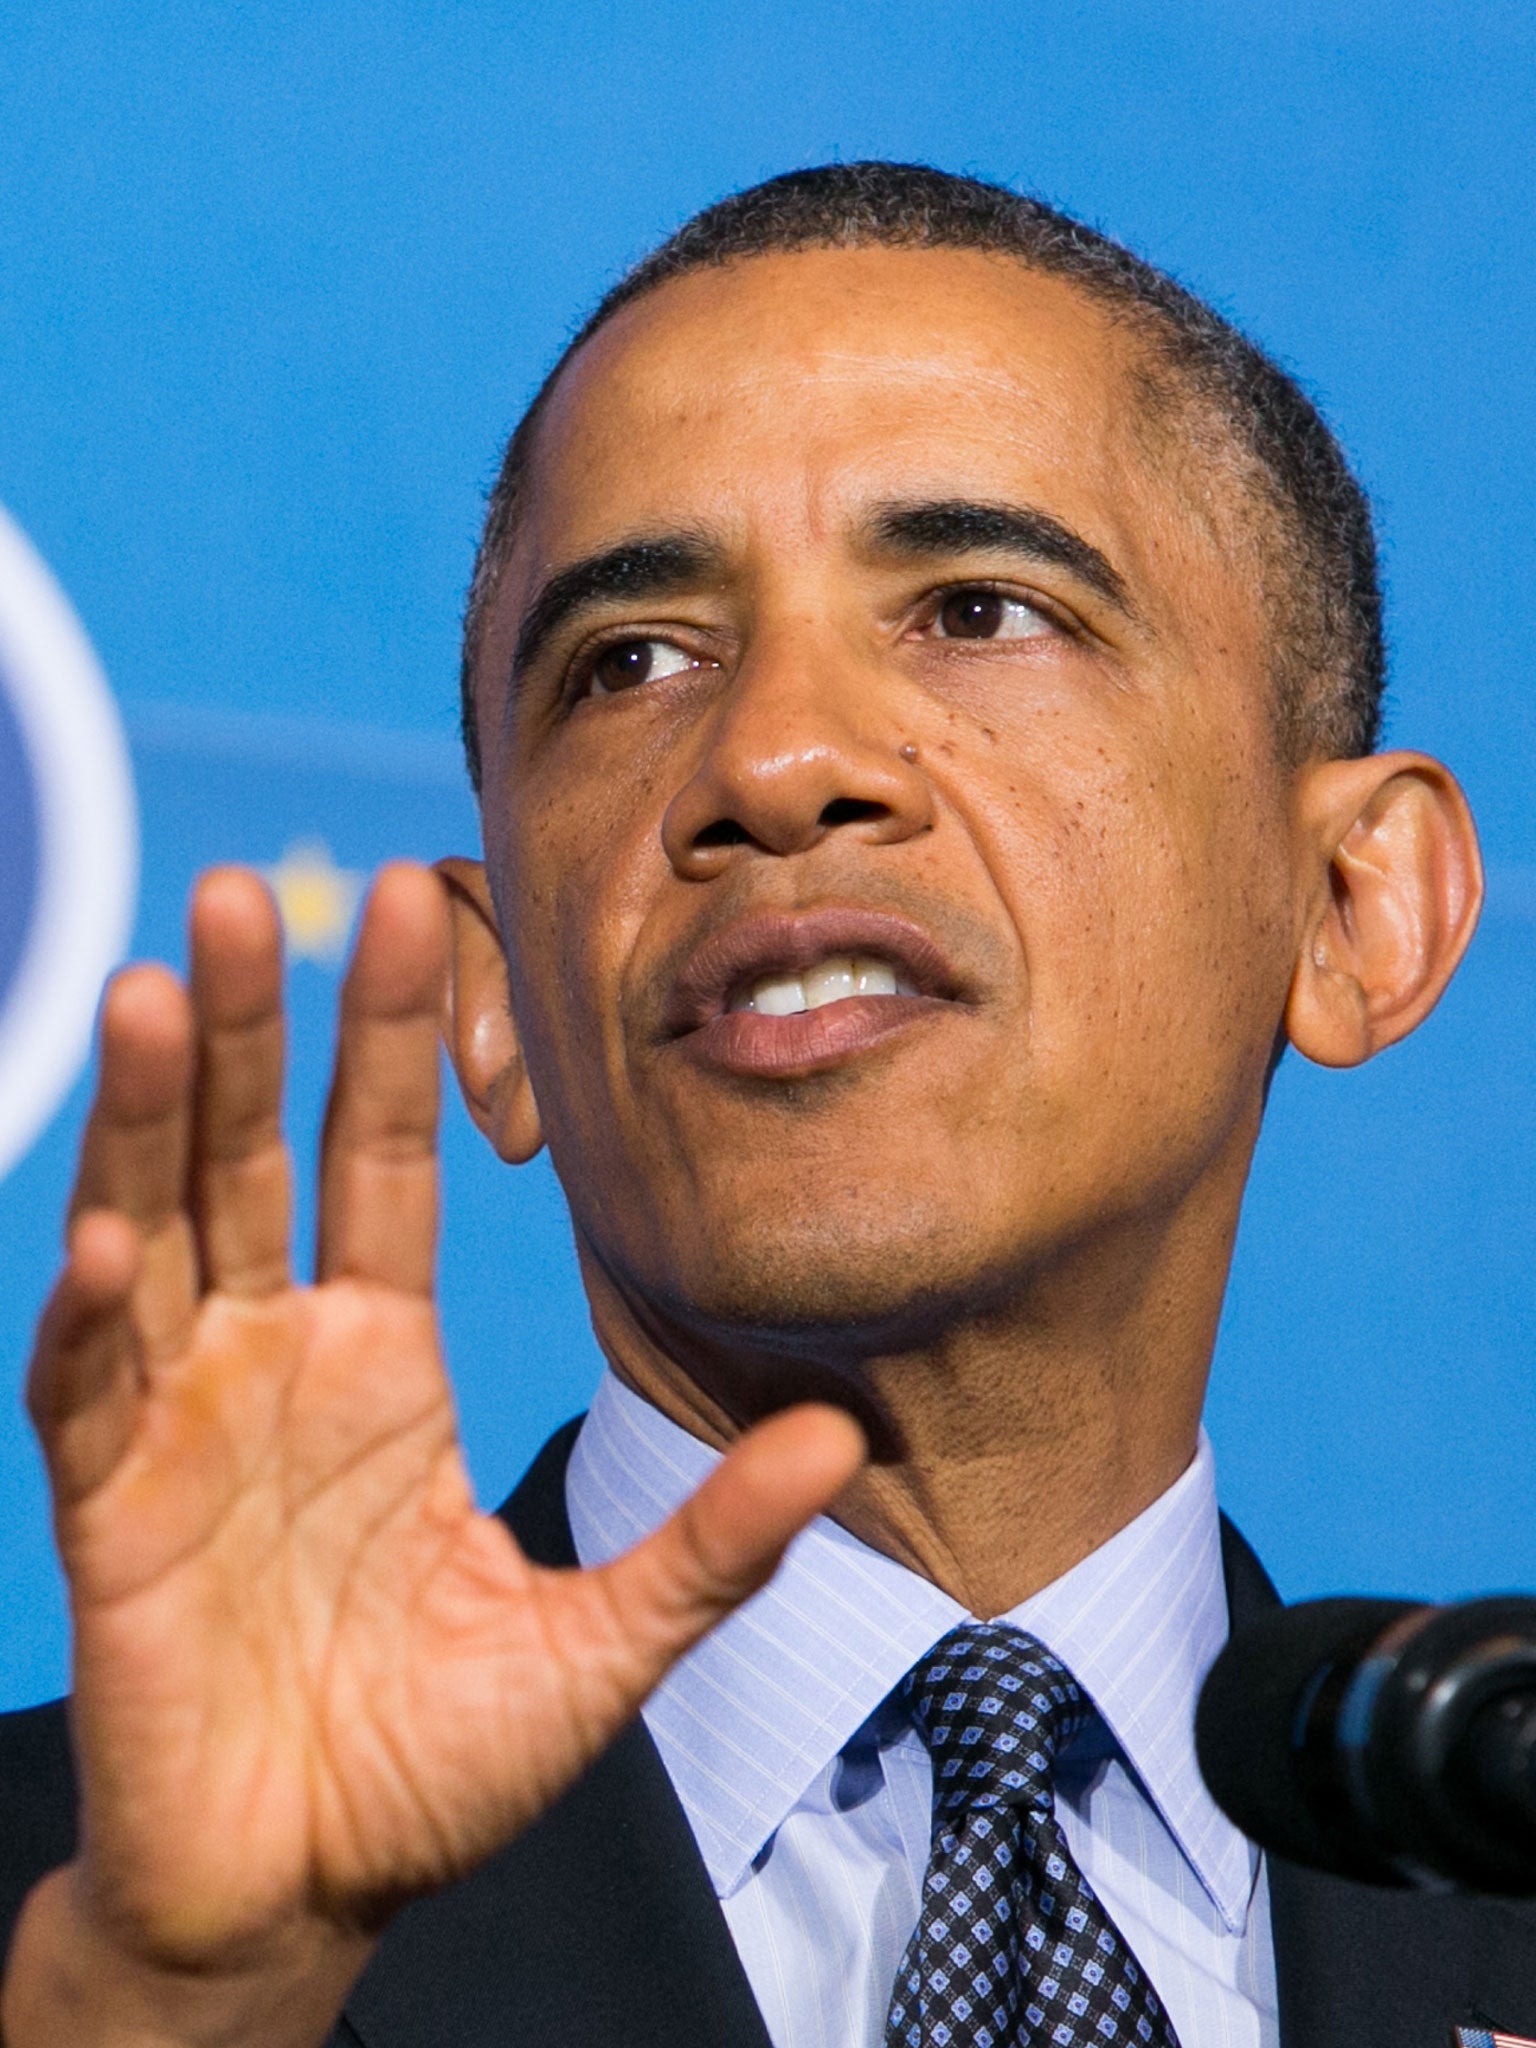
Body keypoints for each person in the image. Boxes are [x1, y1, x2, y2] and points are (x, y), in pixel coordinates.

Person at [0, 162, 1529, 2048]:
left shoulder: (1499, 1867)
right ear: (493, 1007)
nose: (775, 759)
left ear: (1355, 911)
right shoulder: (74, 1944)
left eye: (979, 608)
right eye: (630, 662)